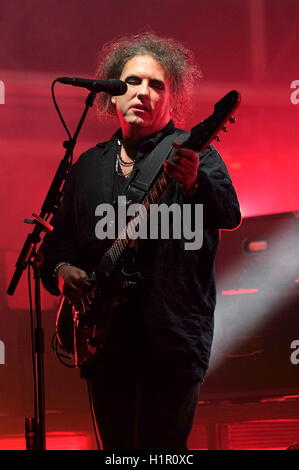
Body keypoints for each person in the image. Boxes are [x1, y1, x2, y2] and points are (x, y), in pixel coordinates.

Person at [39, 32, 241, 450]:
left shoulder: (193, 153)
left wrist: (196, 182)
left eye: (156, 85)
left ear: (173, 98)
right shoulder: (88, 166)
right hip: (104, 340)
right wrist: (61, 272)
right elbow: (58, 242)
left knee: (162, 452)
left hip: (172, 335)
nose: (143, 92)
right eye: (131, 81)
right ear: (111, 94)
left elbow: (229, 214)